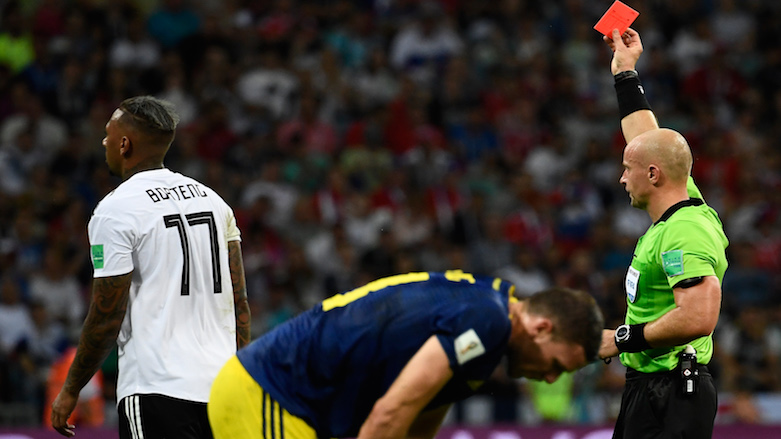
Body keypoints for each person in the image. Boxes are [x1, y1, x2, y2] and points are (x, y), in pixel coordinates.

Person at [50, 96, 251, 438]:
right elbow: (240, 303)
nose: (104, 142)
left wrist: (72, 388)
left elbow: (106, 314)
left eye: (108, 134)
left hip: (158, 389)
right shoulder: (215, 202)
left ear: (125, 144)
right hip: (223, 390)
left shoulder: (116, 211)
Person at [208, 270, 604, 439]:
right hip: (269, 394)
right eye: (556, 365)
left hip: (281, 402)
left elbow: (416, 424)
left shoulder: (487, 330)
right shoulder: (488, 323)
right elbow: (389, 414)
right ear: (541, 328)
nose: (552, 379)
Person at [597, 28, 729, 439]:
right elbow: (645, 140)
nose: (621, 179)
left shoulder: (685, 232)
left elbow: (698, 317)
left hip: (672, 393)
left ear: (653, 175)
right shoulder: (680, 200)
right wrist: (625, 73)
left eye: (626, 169)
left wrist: (620, 339)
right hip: (650, 388)